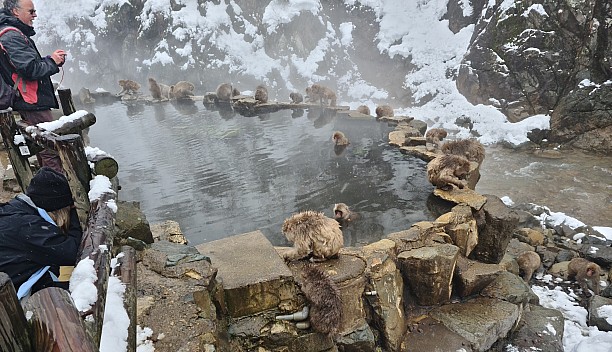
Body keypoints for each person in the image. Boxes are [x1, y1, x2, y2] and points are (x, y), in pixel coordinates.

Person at [0, 0, 66, 172]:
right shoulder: (11, 36)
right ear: (15, 11)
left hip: (26, 98)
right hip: (31, 100)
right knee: (50, 148)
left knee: (42, 147)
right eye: (31, 11)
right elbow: (29, 69)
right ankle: (59, 192)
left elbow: (24, 66)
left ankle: (51, 188)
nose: (35, 15)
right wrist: (52, 62)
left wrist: (49, 61)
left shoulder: (10, 33)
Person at [0, 166, 83, 299]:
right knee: (78, 296)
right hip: (8, 300)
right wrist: (75, 217)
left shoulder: (16, 210)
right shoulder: (28, 226)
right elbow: (72, 253)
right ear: (59, 210)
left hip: (12, 281)